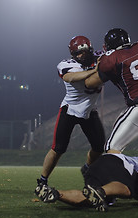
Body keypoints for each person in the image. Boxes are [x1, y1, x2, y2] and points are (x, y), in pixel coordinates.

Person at [35, 35, 106, 199]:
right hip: (70, 110)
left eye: (83, 53)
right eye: (77, 54)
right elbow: (71, 77)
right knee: (58, 148)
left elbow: (113, 55)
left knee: (98, 147)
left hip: (89, 111)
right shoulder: (66, 64)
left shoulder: (98, 58)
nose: (80, 56)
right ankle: (42, 181)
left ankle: (87, 168)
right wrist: (96, 70)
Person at [36, 153, 138, 211]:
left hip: (99, 165)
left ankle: (56, 193)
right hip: (116, 162)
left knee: (88, 198)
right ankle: (101, 191)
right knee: (126, 190)